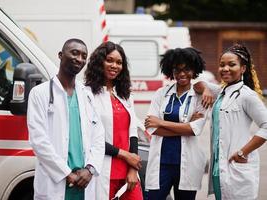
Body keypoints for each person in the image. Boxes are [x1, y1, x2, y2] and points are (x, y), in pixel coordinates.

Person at [27, 38, 105, 200]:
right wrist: (66, 173)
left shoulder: (87, 95)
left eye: (84, 56)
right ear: (61, 55)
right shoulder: (40, 93)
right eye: (74, 53)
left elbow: (98, 136)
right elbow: (38, 140)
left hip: (84, 180)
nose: (80, 59)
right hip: (57, 179)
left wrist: (90, 169)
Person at [144, 47, 209, 200]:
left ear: (194, 70)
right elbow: (151, 127)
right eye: (176, 70)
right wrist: (185, 127)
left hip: (187, 165)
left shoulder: (200, 97)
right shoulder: (161, 93)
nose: (181, 74)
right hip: (161, 164)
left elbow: (194, 130)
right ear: (171, 71)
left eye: (186, 69)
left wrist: (161, 122)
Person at [205, 44, 267, 200]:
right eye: (222, 65)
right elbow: (199, 83)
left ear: (243, 68)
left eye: (231, 64)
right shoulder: (222, 92)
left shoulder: (247, 95)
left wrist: (243, 152)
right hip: (219, 170)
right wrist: (205, 89)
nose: (225, 68)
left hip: (237, 168)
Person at [84, 41, 143, 200]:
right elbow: (90, 137)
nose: (114, 65)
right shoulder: (87, 95)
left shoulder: (125, 95)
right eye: (109, 60)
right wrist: (124, 155)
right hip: (102, 170)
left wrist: (133, 168)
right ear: (99, 62)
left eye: (119, 62)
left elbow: (133, 132)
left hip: (128, 173)